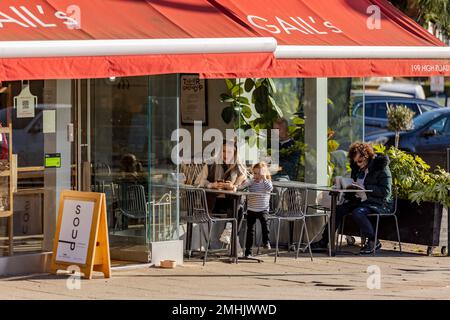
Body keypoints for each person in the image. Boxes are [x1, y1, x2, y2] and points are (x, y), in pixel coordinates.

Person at [313, 142, 393, 254]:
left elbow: (386, 192)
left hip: (379, 203)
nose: (358, 164)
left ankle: (373, 241)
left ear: (367, 156)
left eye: (360, 161)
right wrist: (344, 188)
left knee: (358, 212)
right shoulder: (357, 168)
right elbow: (354, 186)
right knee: (338, 209)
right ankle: (324, 241)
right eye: (356, 162)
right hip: (360, 201)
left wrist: (366, 188)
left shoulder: (381, 167)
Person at [195, 139, 248, 214]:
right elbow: (198, 182)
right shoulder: (210, 164)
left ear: (234, 153)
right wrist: (211, 185)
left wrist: (234, 187)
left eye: (229, 152)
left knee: (238, 210)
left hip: (233, 203)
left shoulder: (240, 168)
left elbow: (246, 185)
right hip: (212, 202)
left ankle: (231, 224)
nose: (226, 155)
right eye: (223, 151)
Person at [239, 162, 273, 258]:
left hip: (263, 209)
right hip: (251, 209)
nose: (256, 176)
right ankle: (248, 252)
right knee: (250, 231)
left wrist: (264, 178)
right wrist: (245, 182)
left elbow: (270, 188)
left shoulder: (267, 182)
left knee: (265, 224)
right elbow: (242, 187)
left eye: (259, 173)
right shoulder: (252, 182)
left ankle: (266, 242)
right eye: (255, 173)